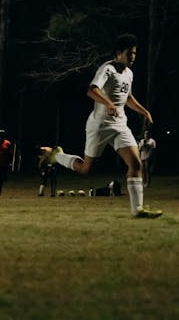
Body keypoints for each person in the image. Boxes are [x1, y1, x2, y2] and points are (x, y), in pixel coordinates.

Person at [43, 33, 162, 218]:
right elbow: (91, 90)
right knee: (86, 170)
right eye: (129, 53)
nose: (133, 57)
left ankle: (138, 210)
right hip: (99, 125)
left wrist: (144, 111)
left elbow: (127, 97)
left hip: (120, 125)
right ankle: (57, 156)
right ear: (118, 52)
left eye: (135, 54)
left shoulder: (129, 73)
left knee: (136, 163)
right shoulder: (107, 69)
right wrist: (108, 103)